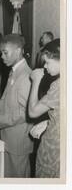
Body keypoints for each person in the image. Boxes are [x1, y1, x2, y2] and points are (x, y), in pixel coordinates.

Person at [0, 34, 34, 177]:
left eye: (5, 52)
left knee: (19, 179)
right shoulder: (14, 71)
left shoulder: (25, 76)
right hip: (10, 137)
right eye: (1, 53)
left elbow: (25, 113)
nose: (2, 57)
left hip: (18, 140)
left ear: (18, 51)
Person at [28, 39, 60, 178]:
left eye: (48, 62)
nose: (45, 67)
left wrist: (35, 81)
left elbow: (33, 112)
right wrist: (48, 122)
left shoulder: (59, 85)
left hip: (55, 150)